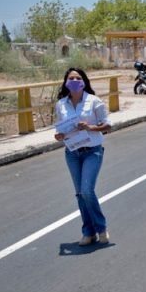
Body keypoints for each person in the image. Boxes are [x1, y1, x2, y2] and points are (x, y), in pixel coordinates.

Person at [53, 68, 112, 246]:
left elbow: (107, 125)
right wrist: (59, 135)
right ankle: (88, 232)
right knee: (80, 194)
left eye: (78, 78)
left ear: (84, 81)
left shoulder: (94, 101)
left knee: (87, 190)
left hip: (92, 151)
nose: (74, 80)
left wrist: (90, 127)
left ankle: (101, 228)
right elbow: (61, 128)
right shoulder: (61, 104)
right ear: (65, 82)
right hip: (72, 152)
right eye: (71, 78)